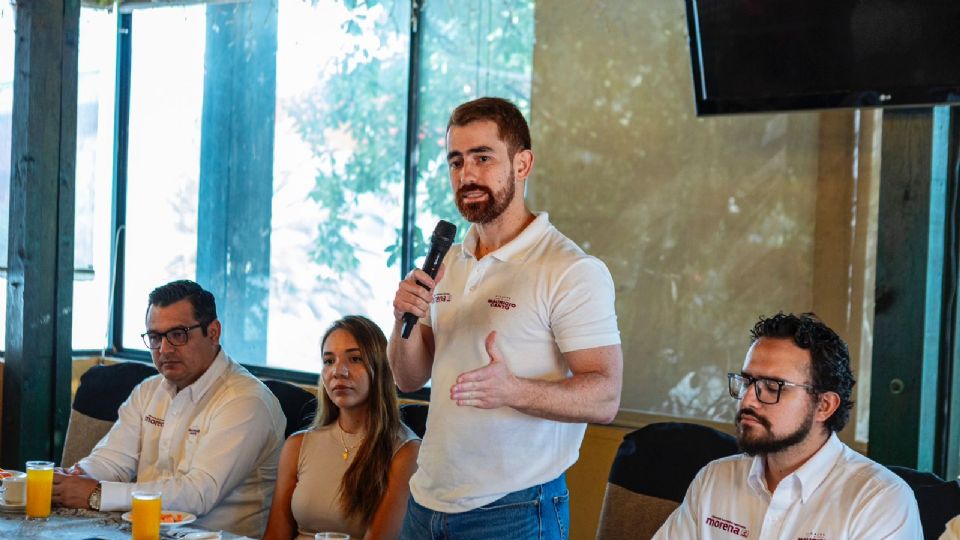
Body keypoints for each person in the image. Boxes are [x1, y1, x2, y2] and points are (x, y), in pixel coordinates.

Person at [388, 97, 623, 539]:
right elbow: (408, 378)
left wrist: (514, 390)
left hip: (514, 510)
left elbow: (605, 396)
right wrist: (403, 320)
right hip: (427, 502)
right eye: (456, 162)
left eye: (482, 157)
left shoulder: (570, 269)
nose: (467, 175)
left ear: (522, 163)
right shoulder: (448, 260)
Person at [653, 312, 922, 539]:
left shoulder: (879, 500)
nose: (748, 399)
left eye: (772, 387)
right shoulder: (715, 478)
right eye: (747, 382)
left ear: (824, 406)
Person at [51, 280, 286, 538]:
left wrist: (97, 494)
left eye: (177, 335)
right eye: (155, 337)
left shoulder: (246, 401)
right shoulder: (149, 391)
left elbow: (197, 494)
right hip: (139, 532)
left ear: (214, 332)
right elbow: (112, 461)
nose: (164, 349)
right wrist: (74, 477)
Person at [263, 315, 419, 540]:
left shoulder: (405, 452)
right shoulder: (297, 445)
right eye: (329, 361)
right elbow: (275, 536)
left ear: (380, 367)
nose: (338, 371)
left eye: (355, 359)